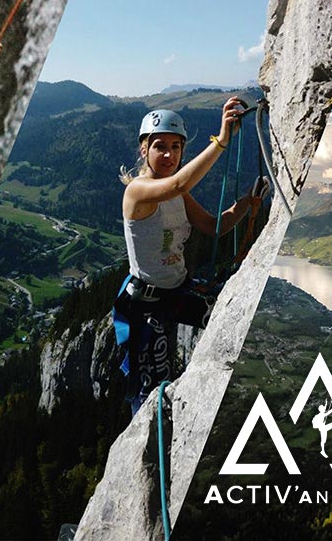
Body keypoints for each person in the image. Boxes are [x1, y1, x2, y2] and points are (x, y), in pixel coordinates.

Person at [114, 100, 269, 414]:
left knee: (236, 324)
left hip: (177, 291)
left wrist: (245, 203)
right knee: (154, 395)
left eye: (176, 147)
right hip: (147, 307)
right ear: (144, 150)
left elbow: (213, 226)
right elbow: (179, 182)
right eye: (160, 147)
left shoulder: (178, 194)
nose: (169, 155)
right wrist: (221, 139)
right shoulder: (138, 192)